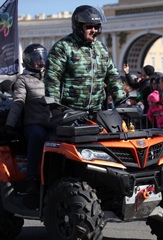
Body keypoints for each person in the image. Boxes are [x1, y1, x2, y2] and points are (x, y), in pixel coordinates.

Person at [44, 5, 125, 112]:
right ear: (78, 27)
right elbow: (52, 78)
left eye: (96, 27)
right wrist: (54, 106)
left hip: (97, 112)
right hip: (69, 112)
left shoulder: (101, 49)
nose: (94, 30)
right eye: (89, 27)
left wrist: (121, 101)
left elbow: (112, 76)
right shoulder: (63, 47)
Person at [0, 43, 51, 193]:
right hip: (34, 124)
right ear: (28, 61)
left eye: (43, 57)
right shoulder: (23, 80)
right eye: (36, 58)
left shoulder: (52, 77)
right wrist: (10, 124)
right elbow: (18, 103)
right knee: (37, 136)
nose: (41, 61)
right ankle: (31, 179)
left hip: (53, 122)